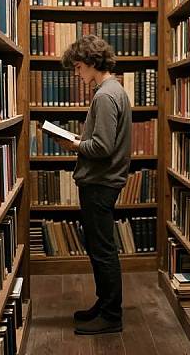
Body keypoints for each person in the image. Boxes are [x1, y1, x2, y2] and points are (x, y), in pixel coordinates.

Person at [55, 34, 132, 335]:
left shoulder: (104, 95)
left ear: (90, 62)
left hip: (100, 182)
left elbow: (101, 147)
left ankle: (111, 315)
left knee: (102, 249)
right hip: (104, 180)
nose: (77, 74)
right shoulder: (115, 90)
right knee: (100, 246)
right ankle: (104, 304)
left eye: (77, 67)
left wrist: (72, 144)